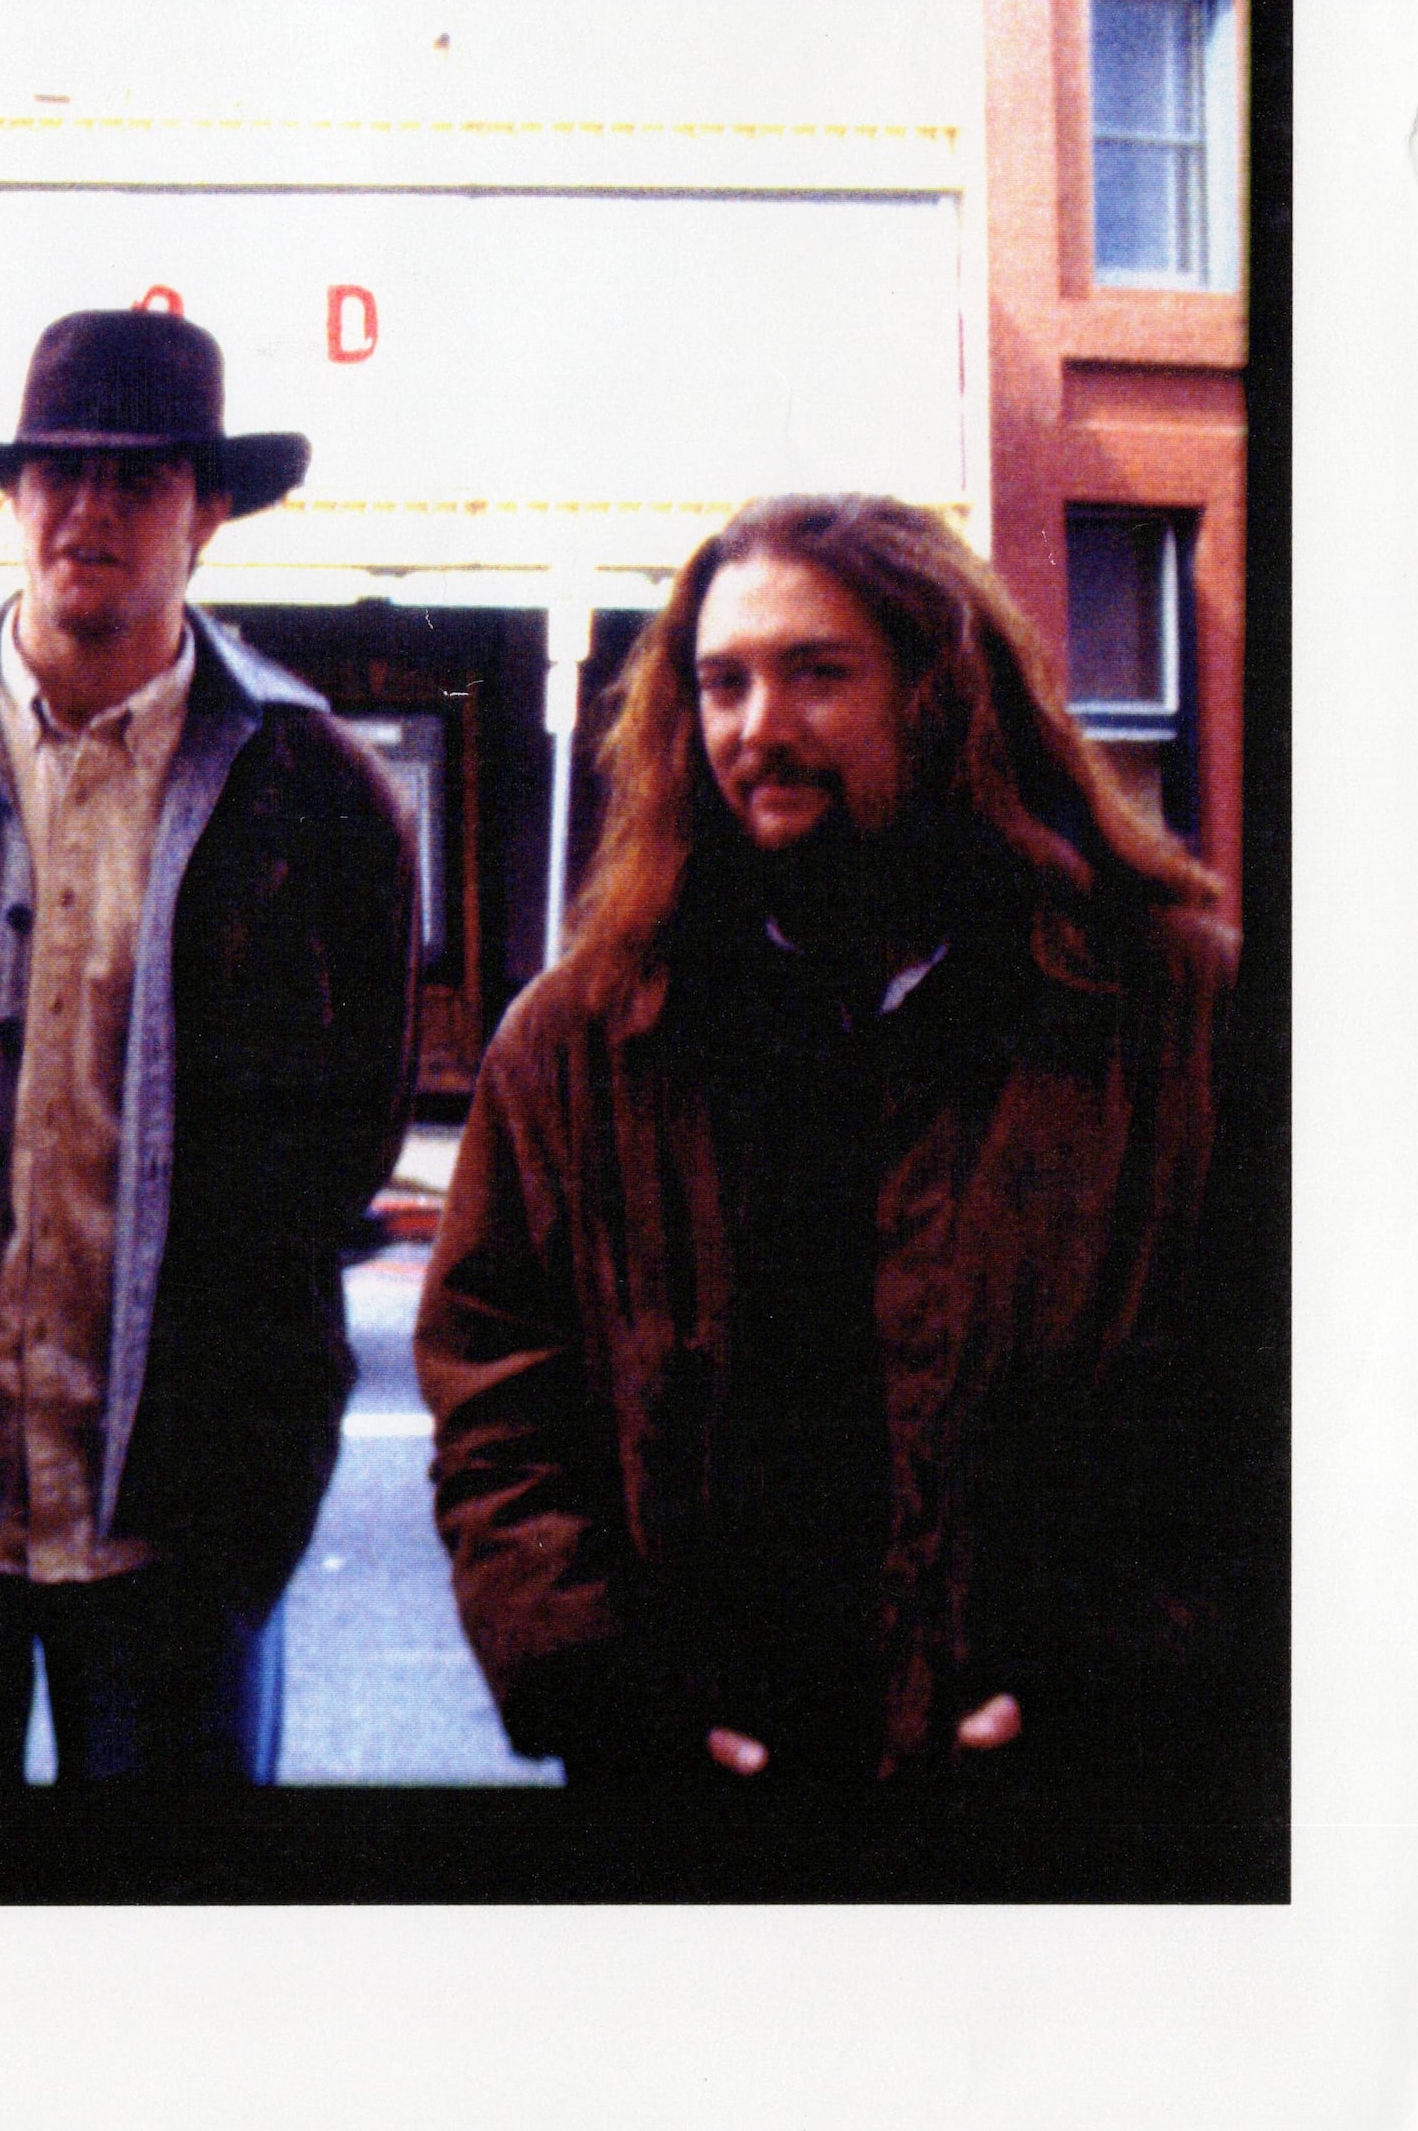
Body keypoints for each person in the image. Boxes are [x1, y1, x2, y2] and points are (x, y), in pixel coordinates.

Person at [415, 494, 1266, 1790]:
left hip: (1070, 1800)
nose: (760, 727)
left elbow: (1295, 1395)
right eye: (724, 683)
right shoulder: (581, 1043)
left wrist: (1136, 1672)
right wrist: (594, 1678)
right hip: (697, 1806)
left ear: (945, 695)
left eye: (817, 674)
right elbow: (497, 1401)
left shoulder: (1183, 1017)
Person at [0, 307, 417, 1784]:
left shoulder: (321, 796)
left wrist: (261, 1459)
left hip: (180, 1515)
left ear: (209, 512)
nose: (88, 508)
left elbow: (343, 1157)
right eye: (57, 470)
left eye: (139, 476)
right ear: (11, 493)